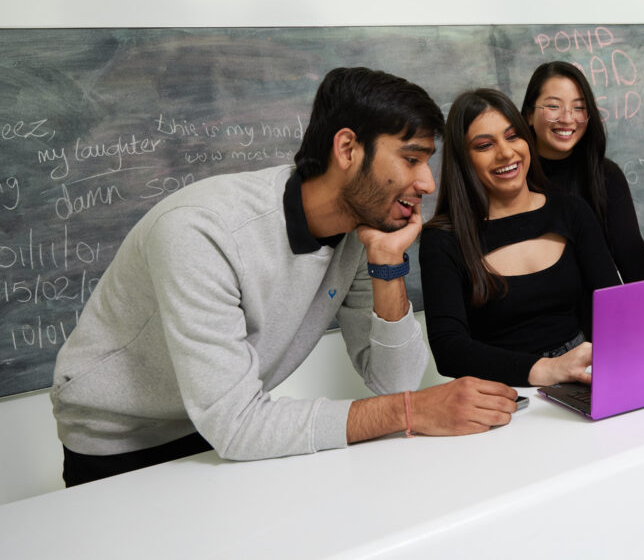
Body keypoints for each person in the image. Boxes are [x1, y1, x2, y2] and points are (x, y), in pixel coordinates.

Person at [50, 67, 520, 487]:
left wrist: (387, 263)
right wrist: (412, 413)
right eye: (412, 159)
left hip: (213, 428)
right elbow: (237, 425)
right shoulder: (201, 231)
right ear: (347, 148)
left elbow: (394, 380)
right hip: (120, 441)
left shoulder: (359, 234)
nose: (428, 184)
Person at [419, 88, 621, 387]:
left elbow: (613, 310)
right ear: (464, 160)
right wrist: (546, 370)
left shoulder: (572, 211)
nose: (506, 152)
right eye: (485, 145)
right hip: (500, 390)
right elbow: (449, 350)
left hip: (583, 377)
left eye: (513, 136)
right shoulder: (443, 239)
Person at [520, 61, 644, 283]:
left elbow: (633, 260)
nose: (567, 118)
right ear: (528, 115)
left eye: (579, 107)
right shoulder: (515, 179)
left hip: (600, 312)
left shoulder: (605, 175)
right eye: (553, 106)